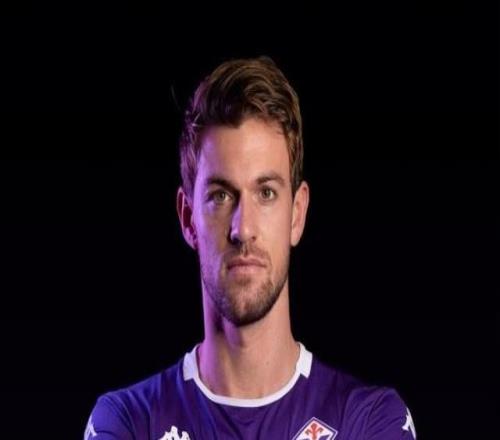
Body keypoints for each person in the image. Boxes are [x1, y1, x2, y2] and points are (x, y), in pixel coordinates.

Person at [84, 56, 417, 440]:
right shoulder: (127, 421)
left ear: (297, 214)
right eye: (221, 195)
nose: (243, 229)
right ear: (188, 218)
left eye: (266, 193)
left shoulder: (369, 419)